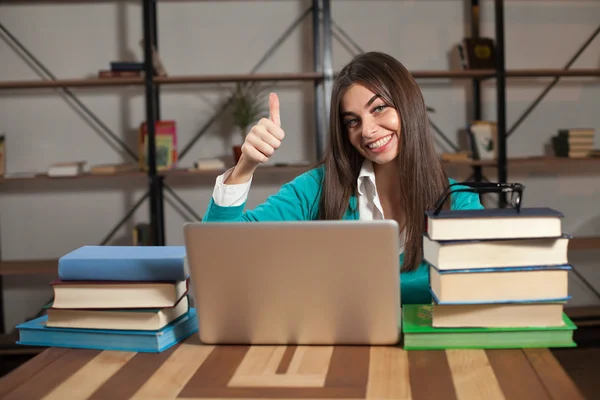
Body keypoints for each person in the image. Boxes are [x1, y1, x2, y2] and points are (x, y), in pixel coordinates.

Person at [203, 51, 483, 304]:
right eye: (353, 121)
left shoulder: (458, 201)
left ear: (408, 106)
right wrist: (245, 166)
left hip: (425, 355)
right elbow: (217, 254)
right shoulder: (317, 188)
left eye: (379, 108)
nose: (368, 131)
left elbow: (480, 286)